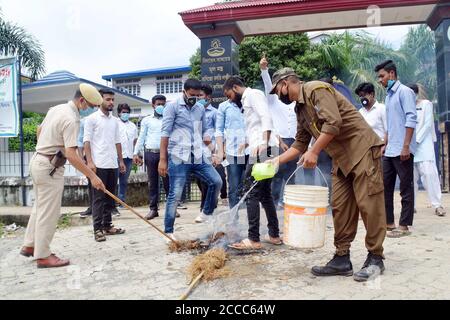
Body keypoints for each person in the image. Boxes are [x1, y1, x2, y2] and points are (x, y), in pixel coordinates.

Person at [268, 67, 386, 282]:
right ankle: (342, 258)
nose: (277, 95)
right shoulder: (300, 110)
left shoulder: (315, 89)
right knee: (340, 207)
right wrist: (276, 161)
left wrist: (315, 151)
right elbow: (300, 144)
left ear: (285, 83)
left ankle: (376, 257)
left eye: (277, 90)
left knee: (369, 205)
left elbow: (333, 123)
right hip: (341, 160)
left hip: (362, 150)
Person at [20, 84, 105, 268]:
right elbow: (72, 155)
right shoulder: (72, 119)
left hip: (37, 161)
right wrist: (92, 176)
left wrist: (47, 147)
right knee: (49, 212)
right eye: (90, 106)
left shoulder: (57, 108)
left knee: (40, 207)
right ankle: (43, 255)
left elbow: (39, 130)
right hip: (49, 168)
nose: (89, 110)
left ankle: (30, 244)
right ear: (81, 100)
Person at [158, 79, 222, 240]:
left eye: (197, 95)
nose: (194, 98)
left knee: (216, 181)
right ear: (184, 92)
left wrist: (214, 150)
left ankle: (206, 212)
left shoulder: (200, 108)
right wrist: (162, 159)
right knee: (175, 194)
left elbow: (205, 131)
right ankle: (168, 231)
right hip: (178, 156)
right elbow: (165, 133)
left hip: (198, 155)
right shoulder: (172, 107)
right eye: (191, 95)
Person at [223, 76, 282, 251]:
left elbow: (266, 117)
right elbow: (255, 125)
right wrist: (249, 142)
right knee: (264, 194)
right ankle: (273, 235)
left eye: (228, 94)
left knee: (250, 193)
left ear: (235, 87)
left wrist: (263, 143)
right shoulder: (246, 101)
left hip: (263, 149)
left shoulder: (254, 94)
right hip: (264, 147)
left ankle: (253, 239)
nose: (229, 98)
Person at [375, 60, 417, 238]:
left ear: (392, 74)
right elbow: (391, 124)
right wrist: (385, 144)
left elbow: (411, 119)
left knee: (405, 188)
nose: (380, 80)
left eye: (382, 76)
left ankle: (404, 225)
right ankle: (389, 222)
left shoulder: (405, 92)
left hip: (403, 150)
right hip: (390, 149)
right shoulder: (389, 95)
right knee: (385, 187)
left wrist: (406, 146)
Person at [84, 89, 126, 242]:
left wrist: (120, 161)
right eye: (108, 99)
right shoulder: (91, 119)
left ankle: (107, 226)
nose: (111, 103)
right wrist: (89, 162)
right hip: (98, 164)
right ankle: (97, 230)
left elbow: (117, 142)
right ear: (100, 100)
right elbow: (86, 142)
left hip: (112, 164)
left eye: (112, 100)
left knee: (110, 198)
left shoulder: (115, 121)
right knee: (98, 199)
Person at [259, 56, 297, 209]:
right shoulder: (273, 99)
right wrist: (264, 70)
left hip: (295, 141)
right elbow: (268, 86)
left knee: (292, 173)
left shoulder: (296, 99)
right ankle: (273, 202)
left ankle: (287, 200)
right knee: (277, 172)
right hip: (278, 141)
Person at [406, 83, 446, 217]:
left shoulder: (426, 104)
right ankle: (411, 205)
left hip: (424, 145)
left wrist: (416, 140)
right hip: (409, 146)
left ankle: (437, 205)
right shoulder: (404, 107)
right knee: (411, 177)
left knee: (429, 174)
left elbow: (428, 124)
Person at [133, 95, 174, 220]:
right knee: (153, 183)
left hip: (166, 154)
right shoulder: (146, 120)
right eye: (158, 104)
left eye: (163, 104)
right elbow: (141, 137)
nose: (161, 106)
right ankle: (153, 209)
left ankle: (171, 209)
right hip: (150, 153)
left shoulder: (169, 119)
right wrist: (136, 152)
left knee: (168, 182)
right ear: (153, 105)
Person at [195, 84, 228, 214]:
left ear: (208, 97)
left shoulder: (215, 113)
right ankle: (209, 204)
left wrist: (217, 151)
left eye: (200, 96)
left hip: (210, 151)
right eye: (197, 96)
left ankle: (205, 208)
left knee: (207, 180)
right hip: (197, 151)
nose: (198, 98)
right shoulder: (195, 112)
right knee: (198, 179)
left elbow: (220, 132)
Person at [215, 97, 248, 210]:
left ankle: (251, 218)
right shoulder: (224, 106)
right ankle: (233, 218)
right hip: (232, 152)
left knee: (249, 184)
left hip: (250, 151)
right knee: (234, 185)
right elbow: (219, 130)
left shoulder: (249, 103)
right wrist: (221, 151)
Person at [78, 104, 98, 219]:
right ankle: (92, 207)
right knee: (91, 183)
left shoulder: (103, 119)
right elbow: (80, 141)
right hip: (89, 157)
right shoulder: (83, 122)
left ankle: (109, 208)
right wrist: (82, 159)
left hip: (102, 157)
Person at [117, 103, 137, 206]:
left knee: (124, 181)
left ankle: (121, 201)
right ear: (119, 113)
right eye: (123, 112)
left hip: (128, 156)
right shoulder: (115, 123)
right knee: (113, 180)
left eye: (127, 112)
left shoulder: (133, 126)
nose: (126, 114)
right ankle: (111, 202)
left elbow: (135, 141)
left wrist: (136, 154)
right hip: (116, 157)